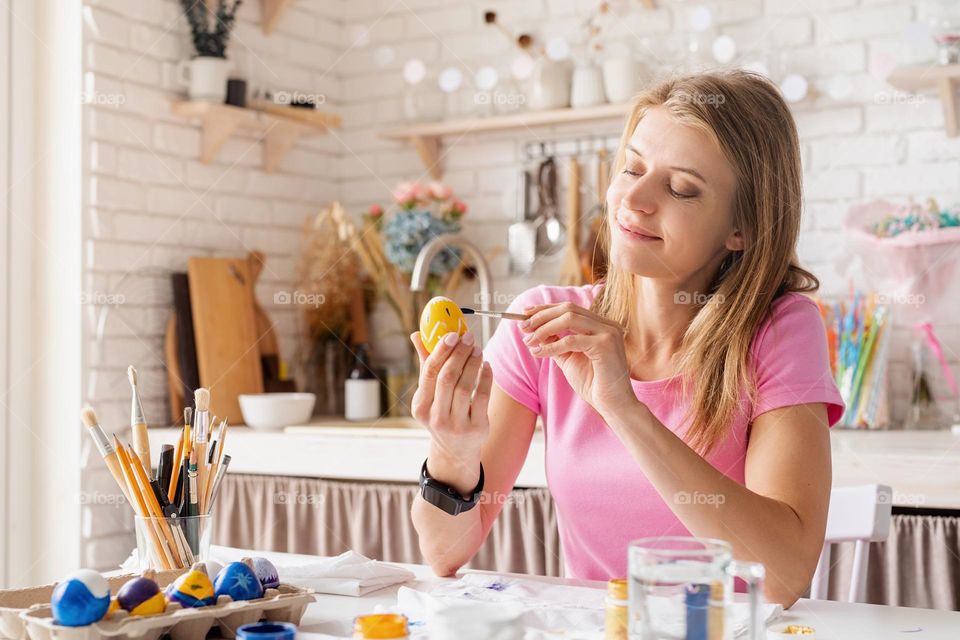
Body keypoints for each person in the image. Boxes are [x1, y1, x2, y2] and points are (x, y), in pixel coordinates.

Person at [409, 70, 844, 608]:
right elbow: (444, 553)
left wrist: (623, 408)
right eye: (631, 168)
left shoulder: (779, 329)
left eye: (681, 187)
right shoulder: (539, 326)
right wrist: (451, 451)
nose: (633, 199)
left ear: (742, 228)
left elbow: (784, 577)